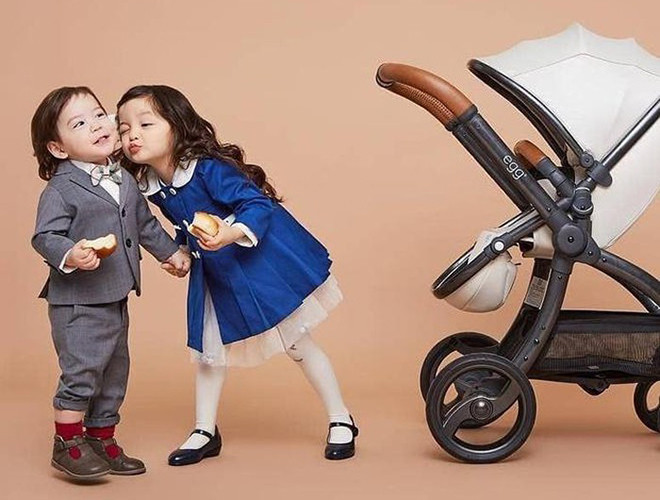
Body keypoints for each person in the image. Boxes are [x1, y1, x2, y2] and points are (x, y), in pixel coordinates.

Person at [116, 85, 358, 464]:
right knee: (208, 352)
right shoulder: (152, 183)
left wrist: (229, 234)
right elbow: (184, 222)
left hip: (254, 263)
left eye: (145, 124)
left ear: (177, 126)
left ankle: (341, 418)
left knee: (297, 342)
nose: (133, 135)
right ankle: (204, 430)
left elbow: (256, 204)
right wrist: (180, 251)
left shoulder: (207, 169)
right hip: (214, 271)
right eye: (124, 128)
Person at [31, 86, 190, 479]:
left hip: (116, 295)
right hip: (77, 303)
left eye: (99, 115)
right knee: (82, 371)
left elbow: (144, 224)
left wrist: (170, 253)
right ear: (58, 148)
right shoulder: (61, 188)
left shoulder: (123, 178)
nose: (96, 126)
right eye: (79, 124)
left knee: (115, 372)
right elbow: (45, 236)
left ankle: (101, 437)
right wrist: (70, 253)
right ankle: (67, 443)